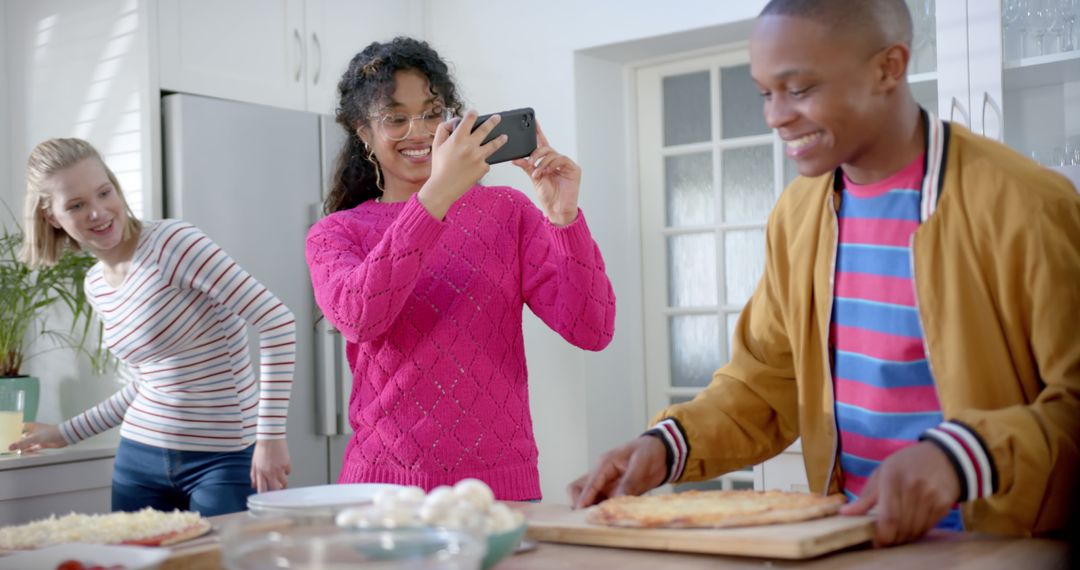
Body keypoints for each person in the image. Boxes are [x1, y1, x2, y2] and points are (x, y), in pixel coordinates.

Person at [569, 0, 1079, 547]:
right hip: (851, 543)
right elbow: (765, 384)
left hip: (998, 550)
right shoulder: (798, 215)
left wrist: (960, 459)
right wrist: (668, 445)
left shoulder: (1027, 204)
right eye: (766, 92)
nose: (775, 116)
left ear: (890, 67)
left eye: (801, 88)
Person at [305, 37, 616, 501]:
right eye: (395, 118)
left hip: (500, 492)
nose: (420, 131)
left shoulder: (506, 212)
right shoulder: (335, 233)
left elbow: (591, 329)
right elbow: (360, 317)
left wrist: (564, 218)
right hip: (382, 494)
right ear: (362, 131)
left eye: (432, 112)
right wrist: (436, 197)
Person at [11, 138, 296, 516]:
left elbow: (277, 322)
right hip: (138, 460)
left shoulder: (173, 243)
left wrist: (271, 437)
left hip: (223, 459)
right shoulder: (95, 285)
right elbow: (147, 384)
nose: (97, 212)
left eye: (103, 192)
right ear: (52, 217)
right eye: (77, 205)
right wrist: (64, 434)